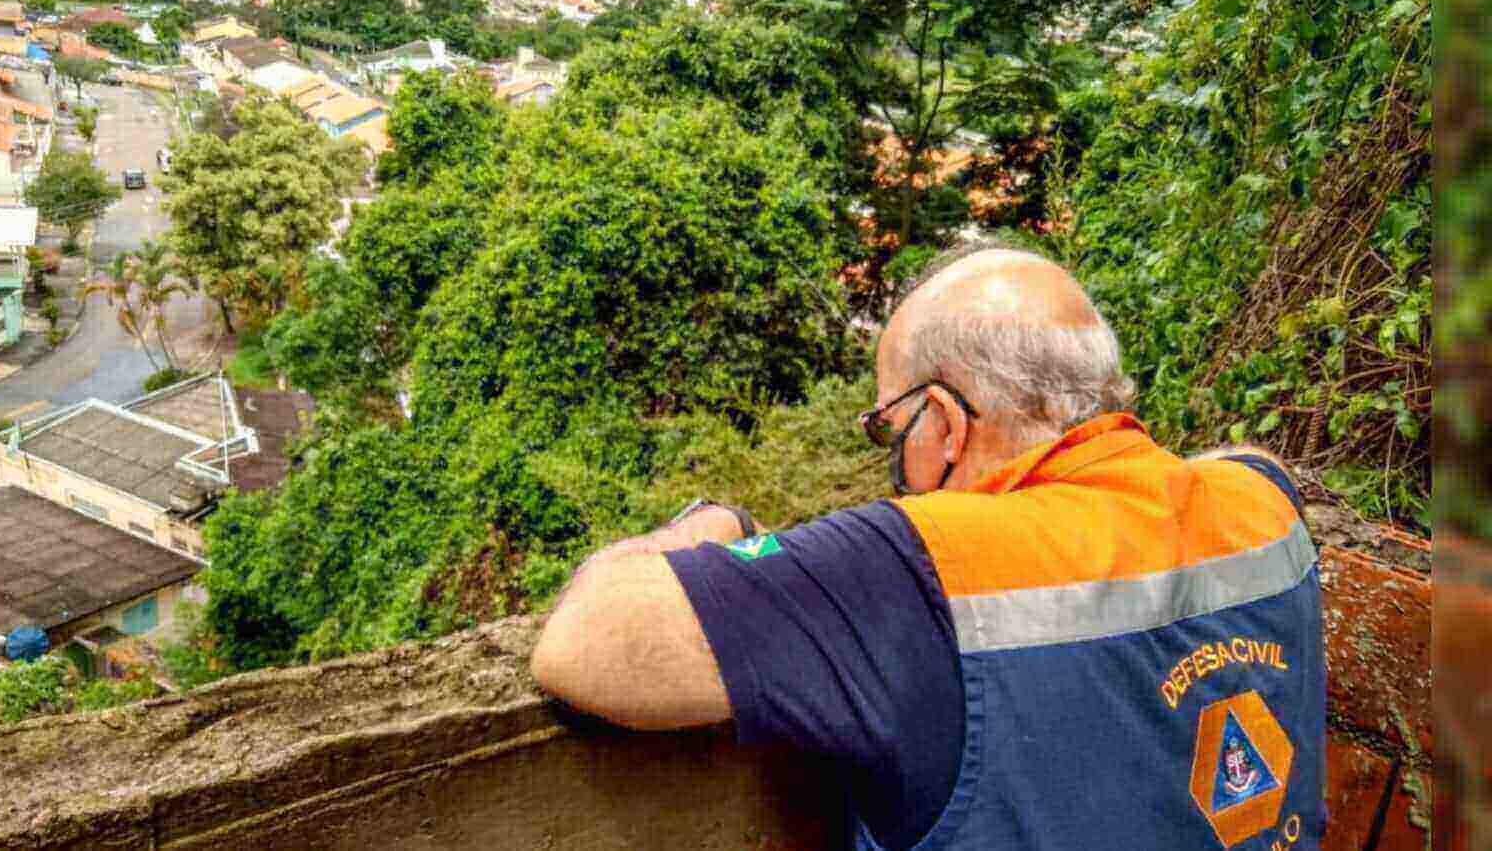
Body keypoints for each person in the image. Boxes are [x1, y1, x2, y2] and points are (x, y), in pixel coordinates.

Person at [531, 245, 1325, 850]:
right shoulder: (1261, 505)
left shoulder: (921, 562)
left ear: (943, 422)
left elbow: (589, 640)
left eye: (890, 427)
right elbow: (1241, 461)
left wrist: (713, 522)